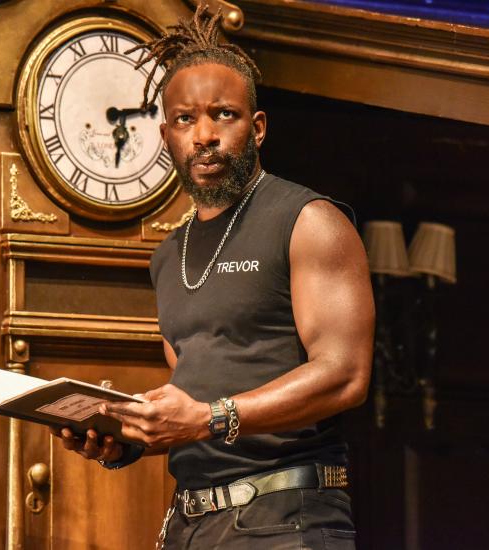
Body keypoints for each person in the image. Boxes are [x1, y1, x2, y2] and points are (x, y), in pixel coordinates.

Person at [52, 5, 375, 549]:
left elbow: (346, 375)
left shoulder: (309, 221)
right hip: (190, 526)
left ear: (258, 126)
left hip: (286, 521)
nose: (203, 134)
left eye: (223, 114)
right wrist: (127, 436)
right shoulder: (169, 255)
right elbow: (192, 401)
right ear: (165, 135)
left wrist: (206, 418)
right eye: (184, 119)